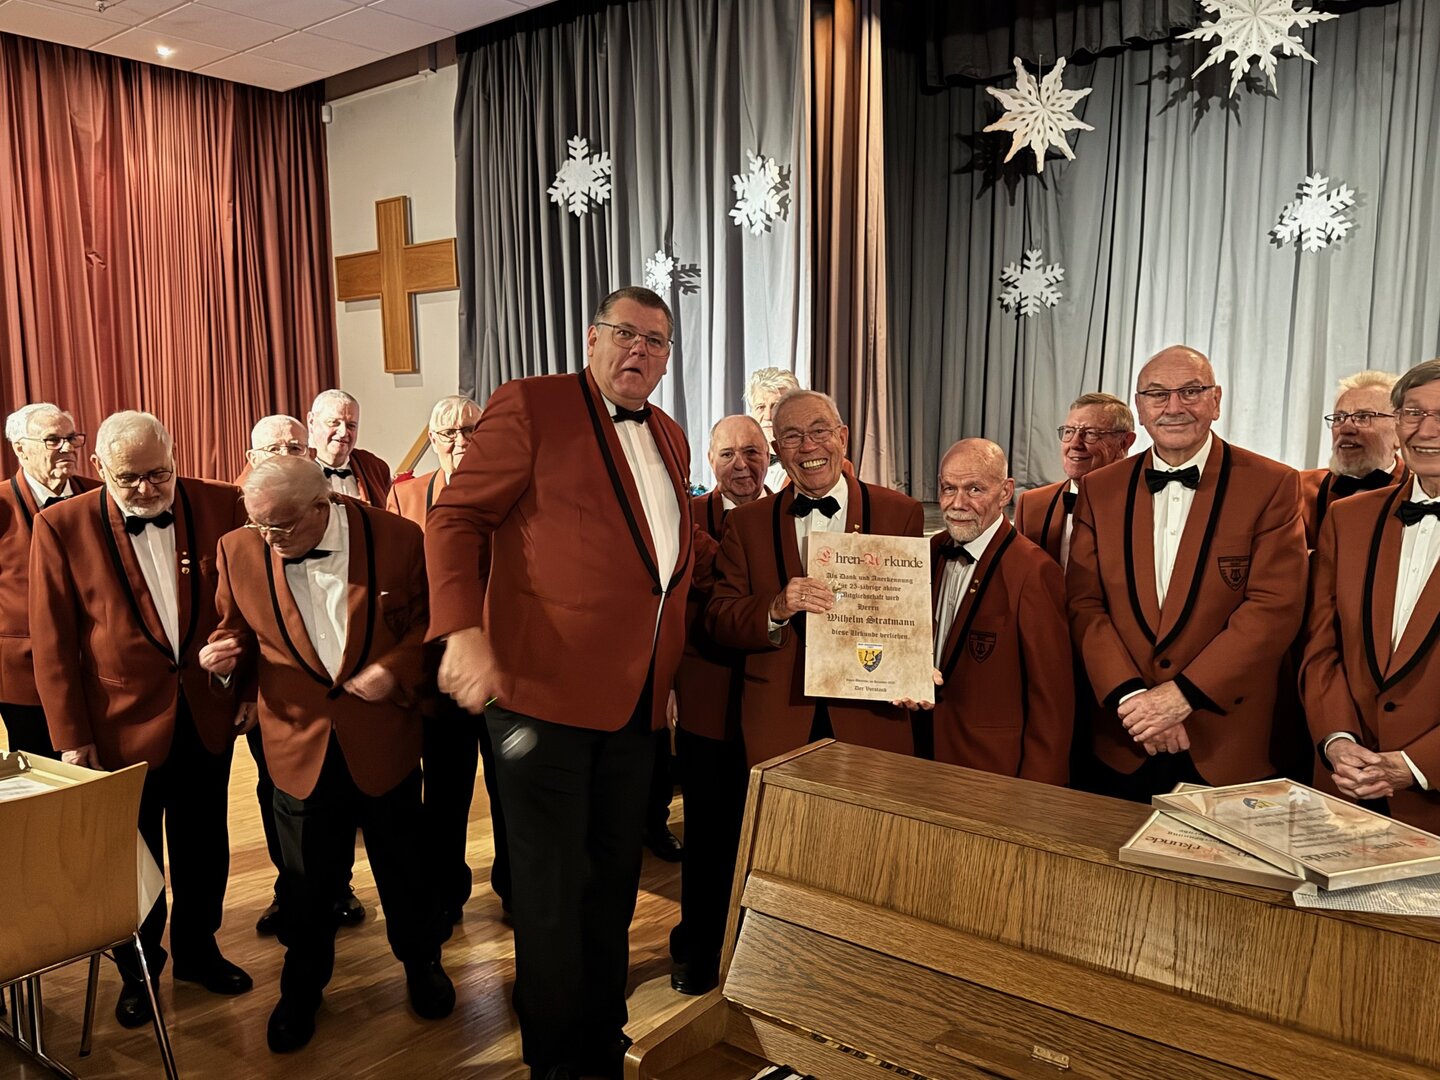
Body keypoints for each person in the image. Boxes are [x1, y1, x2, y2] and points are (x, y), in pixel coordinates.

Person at [425, 286, 695, 1080]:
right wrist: (462, 631)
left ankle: (601, 1040)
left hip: (636, 704)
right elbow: (456, 519)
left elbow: (662, 562)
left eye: (656, 341)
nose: (639, 349)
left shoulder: (670, 434)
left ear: (667, 359)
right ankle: (554, 1060)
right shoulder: (531, 405)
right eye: (625, 333)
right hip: (540, 696)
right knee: (548, 894)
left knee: (613, 884)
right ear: (591, 338)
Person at [200, 456, 452, 1053]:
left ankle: (422, 963)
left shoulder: (396, 537)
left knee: (403, 867)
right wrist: (222, 658)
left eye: (281, 525)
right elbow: (233, 629)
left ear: (323, 505)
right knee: (306, 883)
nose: (268, 537)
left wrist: (394, 670)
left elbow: (428, 623)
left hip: (383, 738)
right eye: (259, 523)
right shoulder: (237, 549)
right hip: (295, 743)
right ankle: (302, 988)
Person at [30, 410, 251, 1028]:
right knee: (134, 857)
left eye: (160, 473)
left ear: (175, 457)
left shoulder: (222, 504)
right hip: (117, 723)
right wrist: (72, 739)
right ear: (99, 468)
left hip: (205, 709)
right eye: (130, 479)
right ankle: (140, 971)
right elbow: (53, 643)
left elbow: (250, 606)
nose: (149, 489)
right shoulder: (60, 525)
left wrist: (245, 684)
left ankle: (200, 952)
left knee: (204, 843)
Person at [1067, 346, 1308, 801]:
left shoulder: (1273, 483)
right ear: (1140, 407)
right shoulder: (1099, 488)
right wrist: (1132, 699)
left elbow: (1274, 608)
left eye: (1191, 391)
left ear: (1216, 401)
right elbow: (1085, 604)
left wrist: (1181, 696)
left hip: (1226, 740)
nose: (1174, 407)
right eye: (1158, 394)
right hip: (1124, 735)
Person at [707, 389, 925, 766]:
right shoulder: (746, 523)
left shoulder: (900, 513)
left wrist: (916, 663)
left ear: (842, 437)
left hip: (870, 716)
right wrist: (775, 608)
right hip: (780, 720)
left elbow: (916, 615)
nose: (808, 446)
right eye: (792, 436)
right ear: (778, 449)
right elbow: (719, 618)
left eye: (819, 431)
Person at [387, 394, 512, 924]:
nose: (460, 441)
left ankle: (515, 889)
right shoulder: (406, 496)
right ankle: (444, 893)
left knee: (509, 786)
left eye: (470, 430)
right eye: (448, 433)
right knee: (444, 788)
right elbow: (398, 583)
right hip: (438, 667)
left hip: (504, 663)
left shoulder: (510, 490)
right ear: (433, 440)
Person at [1300, 358, 1440, 831]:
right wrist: (1337, 740)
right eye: (1413, 413)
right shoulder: (1349, 518)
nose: (1426, 430)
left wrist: (1417, 763)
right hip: (1343, 789)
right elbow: (1322, 645)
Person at [240, 415, 364, 935]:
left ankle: (340, 887)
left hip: (355, 705)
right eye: (274, 449)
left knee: (349, 796)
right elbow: (234, 624)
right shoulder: (242, 531)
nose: (287, 456)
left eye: (295, 448)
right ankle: (291, 892)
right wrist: (235, 682)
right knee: (284, 800)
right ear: (251, 460)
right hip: (284, 708)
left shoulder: (351, 516)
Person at [669, 414, 769, 996]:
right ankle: (698, 948)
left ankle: (759, 950)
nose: (741, 465)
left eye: (752, 452)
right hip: (706, 702)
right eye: (728, 454)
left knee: (766, 839)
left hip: (773, 705)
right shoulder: (684, 519)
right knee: (707, 836)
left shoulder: (789, 516)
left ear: (768, 457)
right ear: (711, 462)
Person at [905, 439, 1071, 783]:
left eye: (974, 489)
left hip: (992, 770)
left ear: (1005, 492)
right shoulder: (929, 551)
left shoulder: (1034, 571)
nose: (957, 503)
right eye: (948, 488)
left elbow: (1052, 704)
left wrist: (1039, 793)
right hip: (918, 755)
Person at [1, 404, 98, 759]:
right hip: (23, 679)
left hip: (98, 668)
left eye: (72, 438)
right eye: (53, 440)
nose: (67, 448)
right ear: (20, 448)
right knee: (43, 775)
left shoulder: (99, 497)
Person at [1014, 393, 1135, 567]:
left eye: (1091, 434)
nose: (1075, 444)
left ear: (1124, 443)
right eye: (1069, 432)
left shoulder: (1144, 505)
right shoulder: (1032, 505)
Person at [1299, 370, 1406, 549]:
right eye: (1339, 418)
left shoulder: (1422, 492)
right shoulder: (1298, 489)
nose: (1346, 428)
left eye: (1363, 417)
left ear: (1399, 432)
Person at [307, 389, 391, 506]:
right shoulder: (294, 468)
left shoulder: (375, 468)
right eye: (334, 422)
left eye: (351, 425)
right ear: (311, 422)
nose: (343, 433)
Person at [745, 366, 801, 492]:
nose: (768, 416)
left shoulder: (812, 458)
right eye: (760, 407)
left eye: (776, 406)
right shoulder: (739, 464)